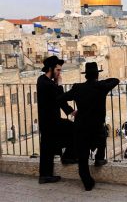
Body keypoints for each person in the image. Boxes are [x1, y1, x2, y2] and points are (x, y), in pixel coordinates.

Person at [58, 62, 119, 191]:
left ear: (85, 76)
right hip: (96, 128)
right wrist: (100, 81)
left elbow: (61, 98)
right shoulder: (101, 87)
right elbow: (115, 80)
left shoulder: (77, 88)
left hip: (81, 127)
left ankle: (87, 182)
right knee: (103, 136)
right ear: (97, 74)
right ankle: (99, 158)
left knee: (83, 157)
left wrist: (70, 111)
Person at [37, 56, 77, 184]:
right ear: (51, 68)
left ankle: (45, 175)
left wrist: (70, 111)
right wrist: (60, 85)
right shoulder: (47, 84)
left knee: (47, 148)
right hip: (50, 122)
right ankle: (67, 157)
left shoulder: (42, 80)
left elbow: (58, 101)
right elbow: (60, 98)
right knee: (73, 128)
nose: (59, 73)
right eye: (58, 70)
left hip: (49, 121)